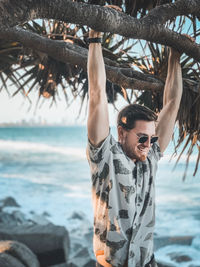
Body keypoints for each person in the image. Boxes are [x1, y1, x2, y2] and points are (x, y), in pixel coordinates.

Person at [86, 26, 183, 267]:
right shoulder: (104, 156)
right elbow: (97, 95)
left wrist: (175, 52)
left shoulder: (150, 156)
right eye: (142, 138)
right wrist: (95, 38)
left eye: (151, 138)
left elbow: (171, 104)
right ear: (121, 132)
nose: (148, 144)